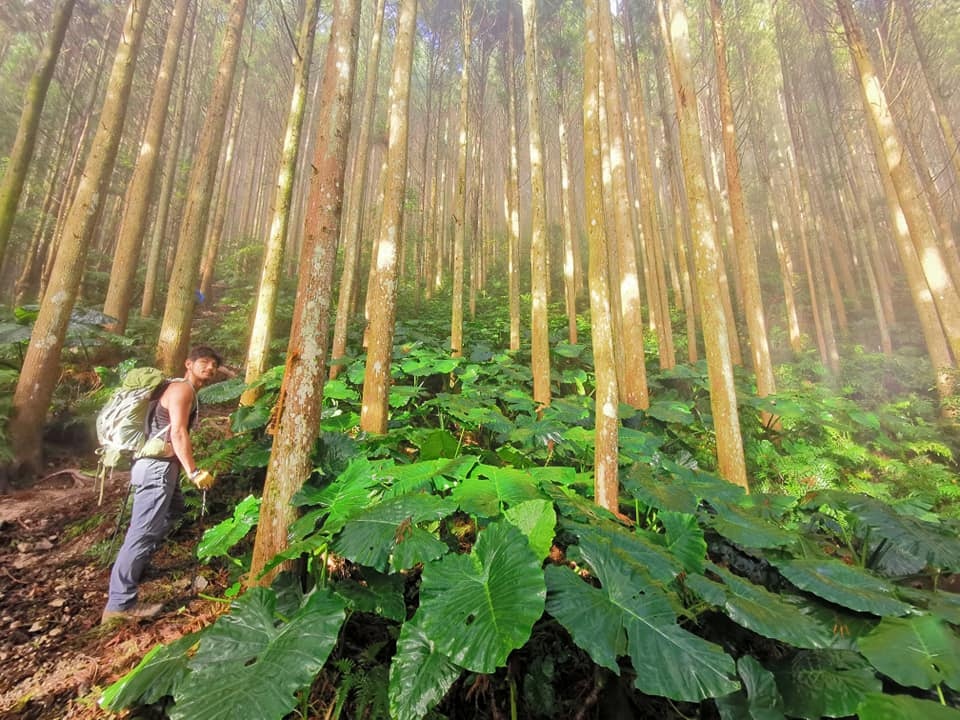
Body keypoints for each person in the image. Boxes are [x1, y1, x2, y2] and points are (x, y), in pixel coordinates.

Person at [101, 346, 221, 624]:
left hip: (158, 467)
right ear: (188, 364)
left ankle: (135, 564)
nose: (210, 367)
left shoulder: (180, 389)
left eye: (214, 364)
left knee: (174, 513)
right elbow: (178, 432)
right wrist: (193, 471)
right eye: (204, 362)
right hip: (157, 468)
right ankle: (119, 605)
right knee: (142, 533)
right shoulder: (183, 390)